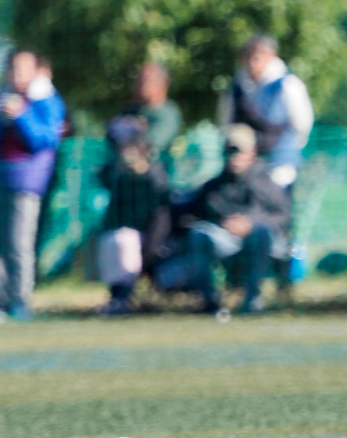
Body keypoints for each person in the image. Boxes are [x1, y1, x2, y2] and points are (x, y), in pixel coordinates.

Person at [0, 50, 64, 322]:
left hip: (26, 182)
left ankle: (19, 303)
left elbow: (44, 140)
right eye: (13, 68)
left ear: (35, 71)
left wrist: (21, 116)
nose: (17, 74)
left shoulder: (45, 100)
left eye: (24, 68)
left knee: (18, 244)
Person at [156, 124, 290, 316]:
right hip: (226, 241)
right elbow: (192, 213)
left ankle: (252, 298)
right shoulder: (214, 186)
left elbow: (283, 215)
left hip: (263, 243)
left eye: (238, 151)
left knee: (260, 233)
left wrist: (250, 223)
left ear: (252, 151)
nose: (233, 156)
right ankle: (209, 300)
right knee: (199, 235)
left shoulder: (267, 182)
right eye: (228, 150)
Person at [96, 115, 171, 315]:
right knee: (116, 239)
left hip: (155, 245)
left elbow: (161, 213)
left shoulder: (155, 174)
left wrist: (142, 172)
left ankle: (123, 297)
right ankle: (118, 297)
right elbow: (102, 177)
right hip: (126, 239)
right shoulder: (115, 174)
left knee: (124, 240)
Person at [218, 35, 313, 189]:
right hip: (243, 168)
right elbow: (225, 123)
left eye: (256, 56)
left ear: (271, 56)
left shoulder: (288, 85)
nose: (251, 62)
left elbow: (302, 125)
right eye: (247, 56)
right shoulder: (236, 88)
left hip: (278, 165)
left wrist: (285, 150)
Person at [121, 62, 182, 166]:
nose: (140, 85)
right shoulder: (131, 110)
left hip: (157, 176)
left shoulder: (167, 114)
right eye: (139, 80)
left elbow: (151, 142)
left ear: (162, 83)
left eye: (146, 80)